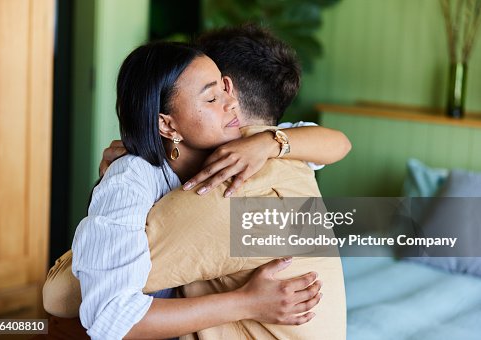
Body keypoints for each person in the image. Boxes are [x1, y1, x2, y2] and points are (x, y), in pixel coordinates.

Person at [44, 25, 350, 339]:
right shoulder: (142, 180)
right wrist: (246, 302)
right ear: (168, 123)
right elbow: (99, 309)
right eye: (211, 95)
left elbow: (60, 293)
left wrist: (269, 143)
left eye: (225, 89)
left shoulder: (252, 159)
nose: (228, 102)